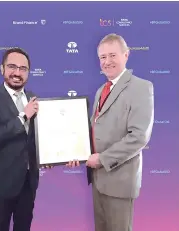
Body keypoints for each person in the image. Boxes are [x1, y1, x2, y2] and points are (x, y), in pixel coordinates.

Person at [67, 33, 154, 231]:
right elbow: (93, 130)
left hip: (119, 180)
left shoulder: (141, 87)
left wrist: (103, 159)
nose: (107, 62)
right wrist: (77, 153)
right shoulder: (101, 90)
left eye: (112, 55)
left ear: (126, 55)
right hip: (98, 179)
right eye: (102, 57)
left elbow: (139, 136)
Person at [0, 48, 40, 231]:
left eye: (23, 68)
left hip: (28, 183)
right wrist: (23, 117)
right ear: (2, 68)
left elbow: (35, 138)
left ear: (28, 72)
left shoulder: (33, 99)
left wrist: (44, 157)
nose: (17, 73)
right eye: (12, 67)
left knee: (24, 227)